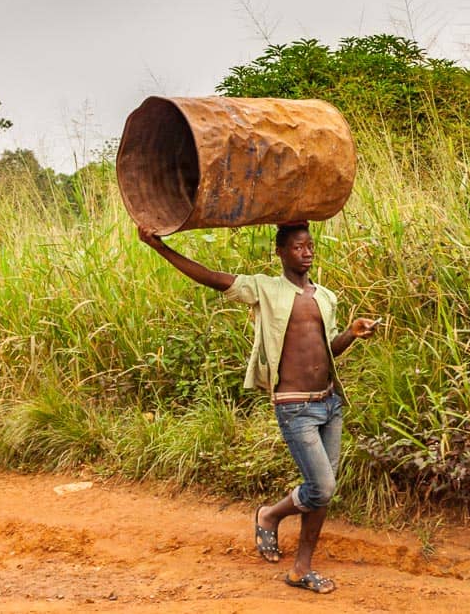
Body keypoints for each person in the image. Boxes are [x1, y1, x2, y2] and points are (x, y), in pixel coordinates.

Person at [138, 221, 378, 595]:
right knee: (323, 487)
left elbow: (329, 348)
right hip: (294, 406)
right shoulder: (264, 289)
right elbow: (213, 278)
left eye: (310, 246)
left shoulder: (325, 296)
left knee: (323, 492)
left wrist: (352, 332)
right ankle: (269, 515)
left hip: (329, 403)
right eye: (298, 247)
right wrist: (160, 248)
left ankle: (301, 569)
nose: (307, 252)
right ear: (280, 252)